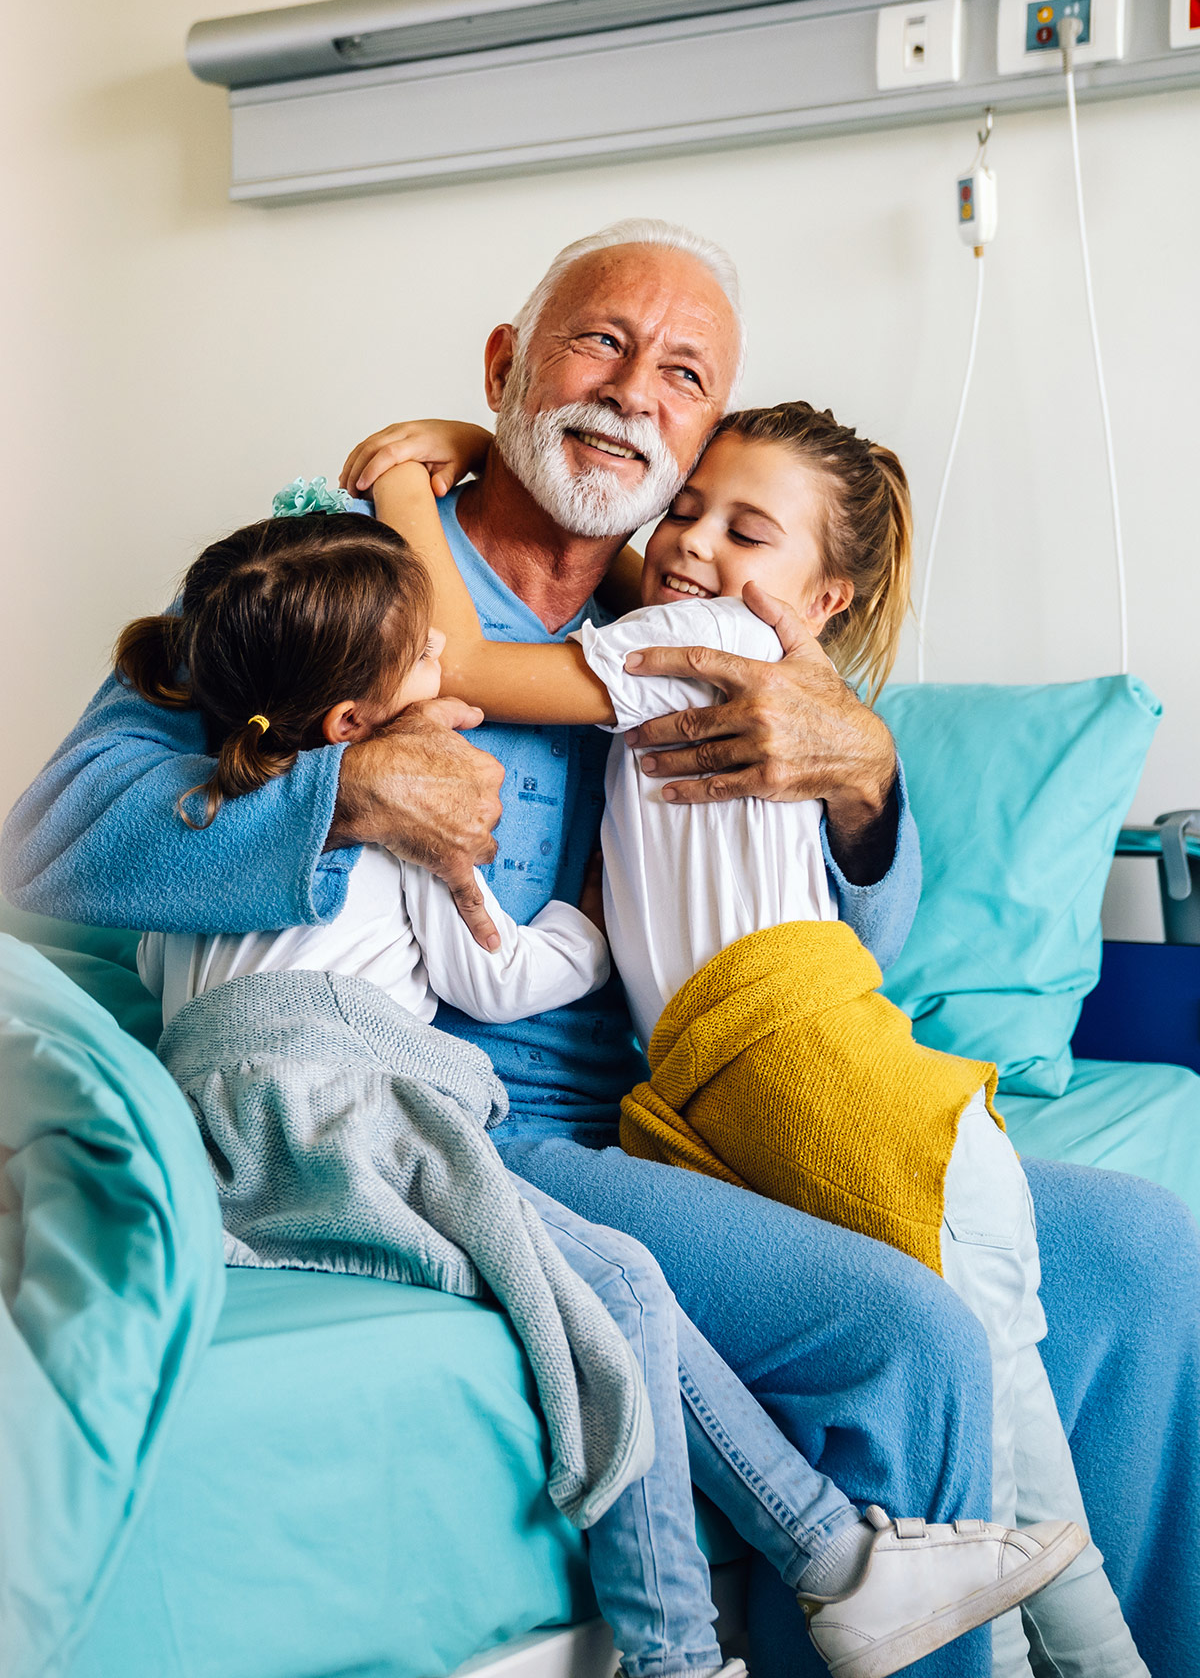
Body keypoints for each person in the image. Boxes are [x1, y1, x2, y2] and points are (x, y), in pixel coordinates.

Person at [3, 219, 1199, 1677]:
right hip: (481, 1120)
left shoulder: (686, 623)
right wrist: (349, 790)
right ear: (508, 368)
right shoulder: (332, 590)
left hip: (691, 1109)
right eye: (601, 342)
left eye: (684, 375)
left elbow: (850, 945)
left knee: (1139, 1254)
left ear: (701, 442)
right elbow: (51, 842)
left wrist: (866, 779)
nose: (636, 391)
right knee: (903, 1338)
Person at [123, 504, 1074, 1678]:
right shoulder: (406, 796)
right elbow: (496, 973)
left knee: (633, 1281)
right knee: (625, 1284)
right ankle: (706, 1638)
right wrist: (587, 915)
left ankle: (835, 1572)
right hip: (369, 1101)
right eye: (427, 649)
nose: (447, 659)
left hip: (214, 1132)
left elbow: (165, 979)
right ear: (354, 721)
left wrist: (866, 768)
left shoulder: (220, 824)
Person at [359, 399, 1144, 1677]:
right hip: (781, 1060)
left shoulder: (699, 636)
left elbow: (458, 649)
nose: (687, 541)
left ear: (823, 597)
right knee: (1018, 1477)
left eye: (744, 527)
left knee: (1032, 1483)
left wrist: (403, 476)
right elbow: (642, 576)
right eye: (684, 510)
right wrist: (496, 452)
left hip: (804, 1056)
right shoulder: (706, 626)